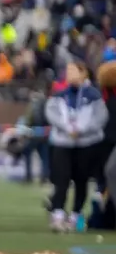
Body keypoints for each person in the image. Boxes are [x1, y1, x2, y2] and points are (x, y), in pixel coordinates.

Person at [45, 61, 109, 233]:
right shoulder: (60, 95)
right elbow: (51, 113)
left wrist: (82, 130)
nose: (69, 74)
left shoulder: (94, 95)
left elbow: (101, 117)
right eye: (68, 71)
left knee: (81, 179)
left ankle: (75, 216)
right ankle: (57, 214)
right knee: (62, 178)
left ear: (83, 74)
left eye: (73, 71)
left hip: (86, 143)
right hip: (63, 141)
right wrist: (66, 128)